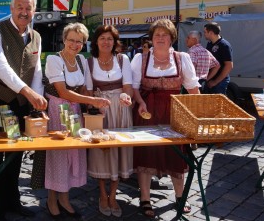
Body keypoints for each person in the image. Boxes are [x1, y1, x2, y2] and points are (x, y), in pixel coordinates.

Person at [0, 0, 47, 221]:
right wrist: (29, 93)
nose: (24, 11)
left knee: (15, 154)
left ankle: (12, 202)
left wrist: (37, 102)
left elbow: (36, 71)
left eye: (28, 7)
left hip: (19, 105)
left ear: (34, 11)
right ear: (11, 8)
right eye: (19, 7)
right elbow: (1, 68)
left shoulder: (36, 37)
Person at [130, 19, 200, 218]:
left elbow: (193, 88)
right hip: (147, 111)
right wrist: (140, 102)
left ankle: (180, 196)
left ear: (171, 38)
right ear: (151, 38)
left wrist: (198, 115)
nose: (160, 38)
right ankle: (145, 198)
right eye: (157, 35)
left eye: (165, 35)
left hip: (174, 113)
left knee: (176, 154)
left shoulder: (182, 58)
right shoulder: (140, 59)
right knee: (146, 154)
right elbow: (134, 87)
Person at [44, 22, 110, 220]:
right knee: (58, 155)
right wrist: (92, 100)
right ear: (64, 40)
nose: (74, 44)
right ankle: (51, 199)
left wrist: (93, 102)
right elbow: (63, 91)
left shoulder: (81, 60)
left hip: (73, 111)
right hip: (57, 109)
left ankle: (64, 198)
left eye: (79, 41)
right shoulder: (54, 60)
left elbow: (84, 89)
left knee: (73, 154)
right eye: (71, 40)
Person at [85, 25, 133, 218]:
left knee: (119, 151)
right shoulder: (89, 63)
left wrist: (125, 97)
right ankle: (103, 195)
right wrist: (96, 105)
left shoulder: (123, 60)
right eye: (103, 38)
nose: (106, 42)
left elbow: (128, 87)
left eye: (110, 39)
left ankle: (113, 195)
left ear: (115, 42)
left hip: (121, 110)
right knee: (101, 153)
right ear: (96, 41)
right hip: (101, 111)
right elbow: (87, 92)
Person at [204, 22, 233, 94]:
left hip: (219, 82)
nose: (204, 34)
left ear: (211, 33)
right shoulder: (209, 44)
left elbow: (229, 66)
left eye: (205, 32)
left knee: (218, 104)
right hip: (210, 79)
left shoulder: (224, 45)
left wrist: (215, 81)